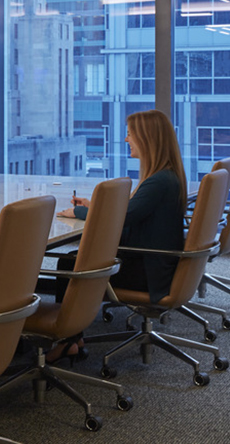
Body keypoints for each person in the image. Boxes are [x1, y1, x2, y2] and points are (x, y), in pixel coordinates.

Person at [49, 109, 187, 359]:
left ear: (147, 139)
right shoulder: (166, 176)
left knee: (69, 263)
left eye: (130, 134)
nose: (126, 140)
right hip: (156, 264)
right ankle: (72, 338)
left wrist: (79, 212)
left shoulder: (158, 182)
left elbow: (120, 218)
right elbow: (131, 211)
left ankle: (65, 339)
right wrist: (94, 205)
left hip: (148, 272)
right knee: (73, 259)